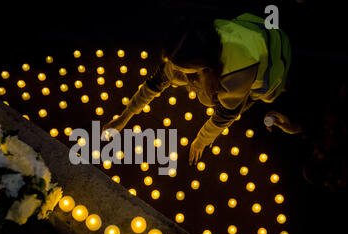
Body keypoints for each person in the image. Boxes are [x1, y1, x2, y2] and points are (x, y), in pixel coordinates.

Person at [101, 13, 292, 166]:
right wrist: (124, 117)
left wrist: (200, 141)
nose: (173, 69)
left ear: (200, 67)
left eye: (178, 66)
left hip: (271, 58)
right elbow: (157, 81)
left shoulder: (236, 76)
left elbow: (225, 115)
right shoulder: (198, 40)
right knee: (205, 96)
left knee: (253, 96)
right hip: (253, 29)